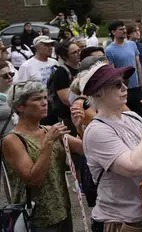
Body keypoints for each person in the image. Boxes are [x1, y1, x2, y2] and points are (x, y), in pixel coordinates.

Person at [81, 61, 142, 230]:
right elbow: (135, 167)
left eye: (124, 82)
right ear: (99, 93)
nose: (124, 88)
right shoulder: (97, 131)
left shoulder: (132, 116)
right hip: (121, 223)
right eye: (117, 85)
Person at [3, 81, 84, 232]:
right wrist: (48, 143)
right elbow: (33, 179)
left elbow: (84, 149)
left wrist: (79, 127)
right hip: (37, 218)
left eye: (45, 98)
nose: (44, 103)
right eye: (37, 99)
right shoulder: (12, 140)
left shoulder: (49, 130)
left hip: (63, 211)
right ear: (20, 106)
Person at [105, 21, 142, 119]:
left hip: (137, 87)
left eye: (124, 29)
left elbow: (138, 64)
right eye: (121, 29)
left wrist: (140, 81)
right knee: (129, 116)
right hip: (123, 89)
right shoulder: (109, 50)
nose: (124, 31)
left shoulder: (132, 44)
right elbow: (112, 70)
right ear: (113, 32)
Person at [51, 41, 81, 134]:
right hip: (69, 115)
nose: (78, 53)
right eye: (74, 52)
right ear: (64, 57)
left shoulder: (82, 67)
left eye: (79, 50)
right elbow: (66, 99)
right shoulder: (61, 72)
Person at [0, 61, 16, 136]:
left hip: (20, 138)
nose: (10, 77)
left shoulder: (18, 90)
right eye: (5, 76)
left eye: (11, 74)